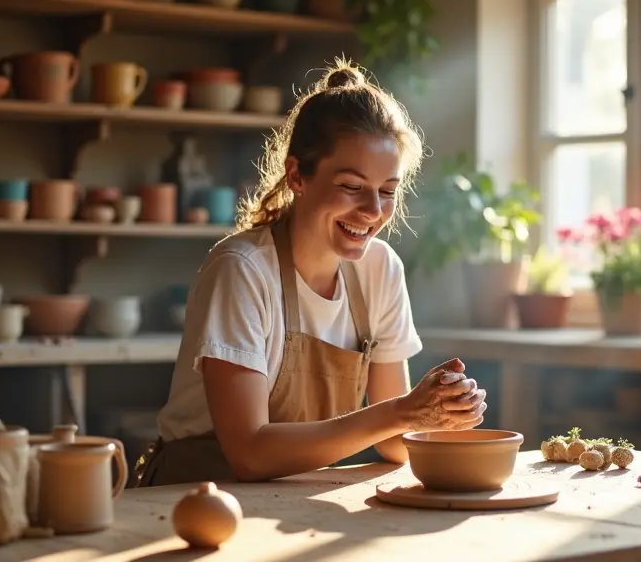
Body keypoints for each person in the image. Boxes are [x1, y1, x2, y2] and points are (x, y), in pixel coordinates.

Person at [135, 59, 489, 486]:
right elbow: (248, 453)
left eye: (387, 192)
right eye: (352, 187)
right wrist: (402, 411)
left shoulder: (380, 269)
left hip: (291, 494)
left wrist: (437, 409)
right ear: (297, 175)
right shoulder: (243, 270)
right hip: (191, 495)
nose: (373, 212)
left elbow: (394, 445)